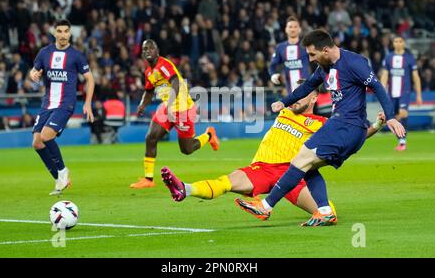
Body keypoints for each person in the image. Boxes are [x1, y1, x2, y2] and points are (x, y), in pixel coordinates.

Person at [235, 29, 405, 226]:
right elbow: (307, 86)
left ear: (325, 50)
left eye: (312, 54)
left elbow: (377, 87)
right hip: (347, 129)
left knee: (300, 158)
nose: (310, 58)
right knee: (306, 167)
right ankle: (324, 211)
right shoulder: (324, 68)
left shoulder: (354, 62)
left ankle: (265, 206)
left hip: (345, 125)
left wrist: (391, 117)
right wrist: (284, 102)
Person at [161, 79, 386, 217]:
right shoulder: (285, 110)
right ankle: (184, 189)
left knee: (327, 212)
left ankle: (314, 213)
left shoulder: (320, 123)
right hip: (262, 168)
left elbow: (354, 136)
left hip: (292, 175)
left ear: (315, 97)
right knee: (225, 182)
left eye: (303, 94)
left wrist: (376, 125)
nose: (295, 98)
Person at [129, 39, 220, 189]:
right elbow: (149, 91)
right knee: (151, 138)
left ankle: (209, 135)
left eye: (150, 48)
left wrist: (170, 106)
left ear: (157, 51)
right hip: (167, 108)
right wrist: (142, 104)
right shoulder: (149, 72)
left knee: (187, 149)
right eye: (145, 49)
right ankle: (148, 179)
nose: (147, 51)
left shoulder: (164, 65)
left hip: (183, 109)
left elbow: (176, 83)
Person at [29, 19, 95, 196]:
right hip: (48, 102)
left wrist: (87, 103)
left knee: (46, 136)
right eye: (60, 31)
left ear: (70, 33)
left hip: (66, 103)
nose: (63, 34)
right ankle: (58, 178)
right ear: (54, 33)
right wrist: (34, 75)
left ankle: (63, 171)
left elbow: (90, 79)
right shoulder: (44, 53)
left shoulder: (76, 55)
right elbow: (33, 70)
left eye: (66, 31)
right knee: (36, 142)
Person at [380, 36, 422, 151]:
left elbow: (416, 77)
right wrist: (382, 92)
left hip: (405, 91)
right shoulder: (389, 57)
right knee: (392, 116)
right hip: (391, 93)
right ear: (393, 43)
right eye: (395, 41)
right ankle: (401, 140)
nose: (397, 43)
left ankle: (402, 141)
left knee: (403, 113)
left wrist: (419, 95)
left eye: (400, 41)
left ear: (404, 43)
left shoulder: (409, 58)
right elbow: (384, 75)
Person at [269, 16, 313, 93]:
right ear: (286, 29)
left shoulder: (306, 46)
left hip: (306, 92)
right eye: (290, 27)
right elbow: (272, 65)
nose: (293, 29)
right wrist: (273, 75)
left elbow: (317, 63)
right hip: (289, 92)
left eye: (295, 27)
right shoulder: (280, 47)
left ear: (299, 29)